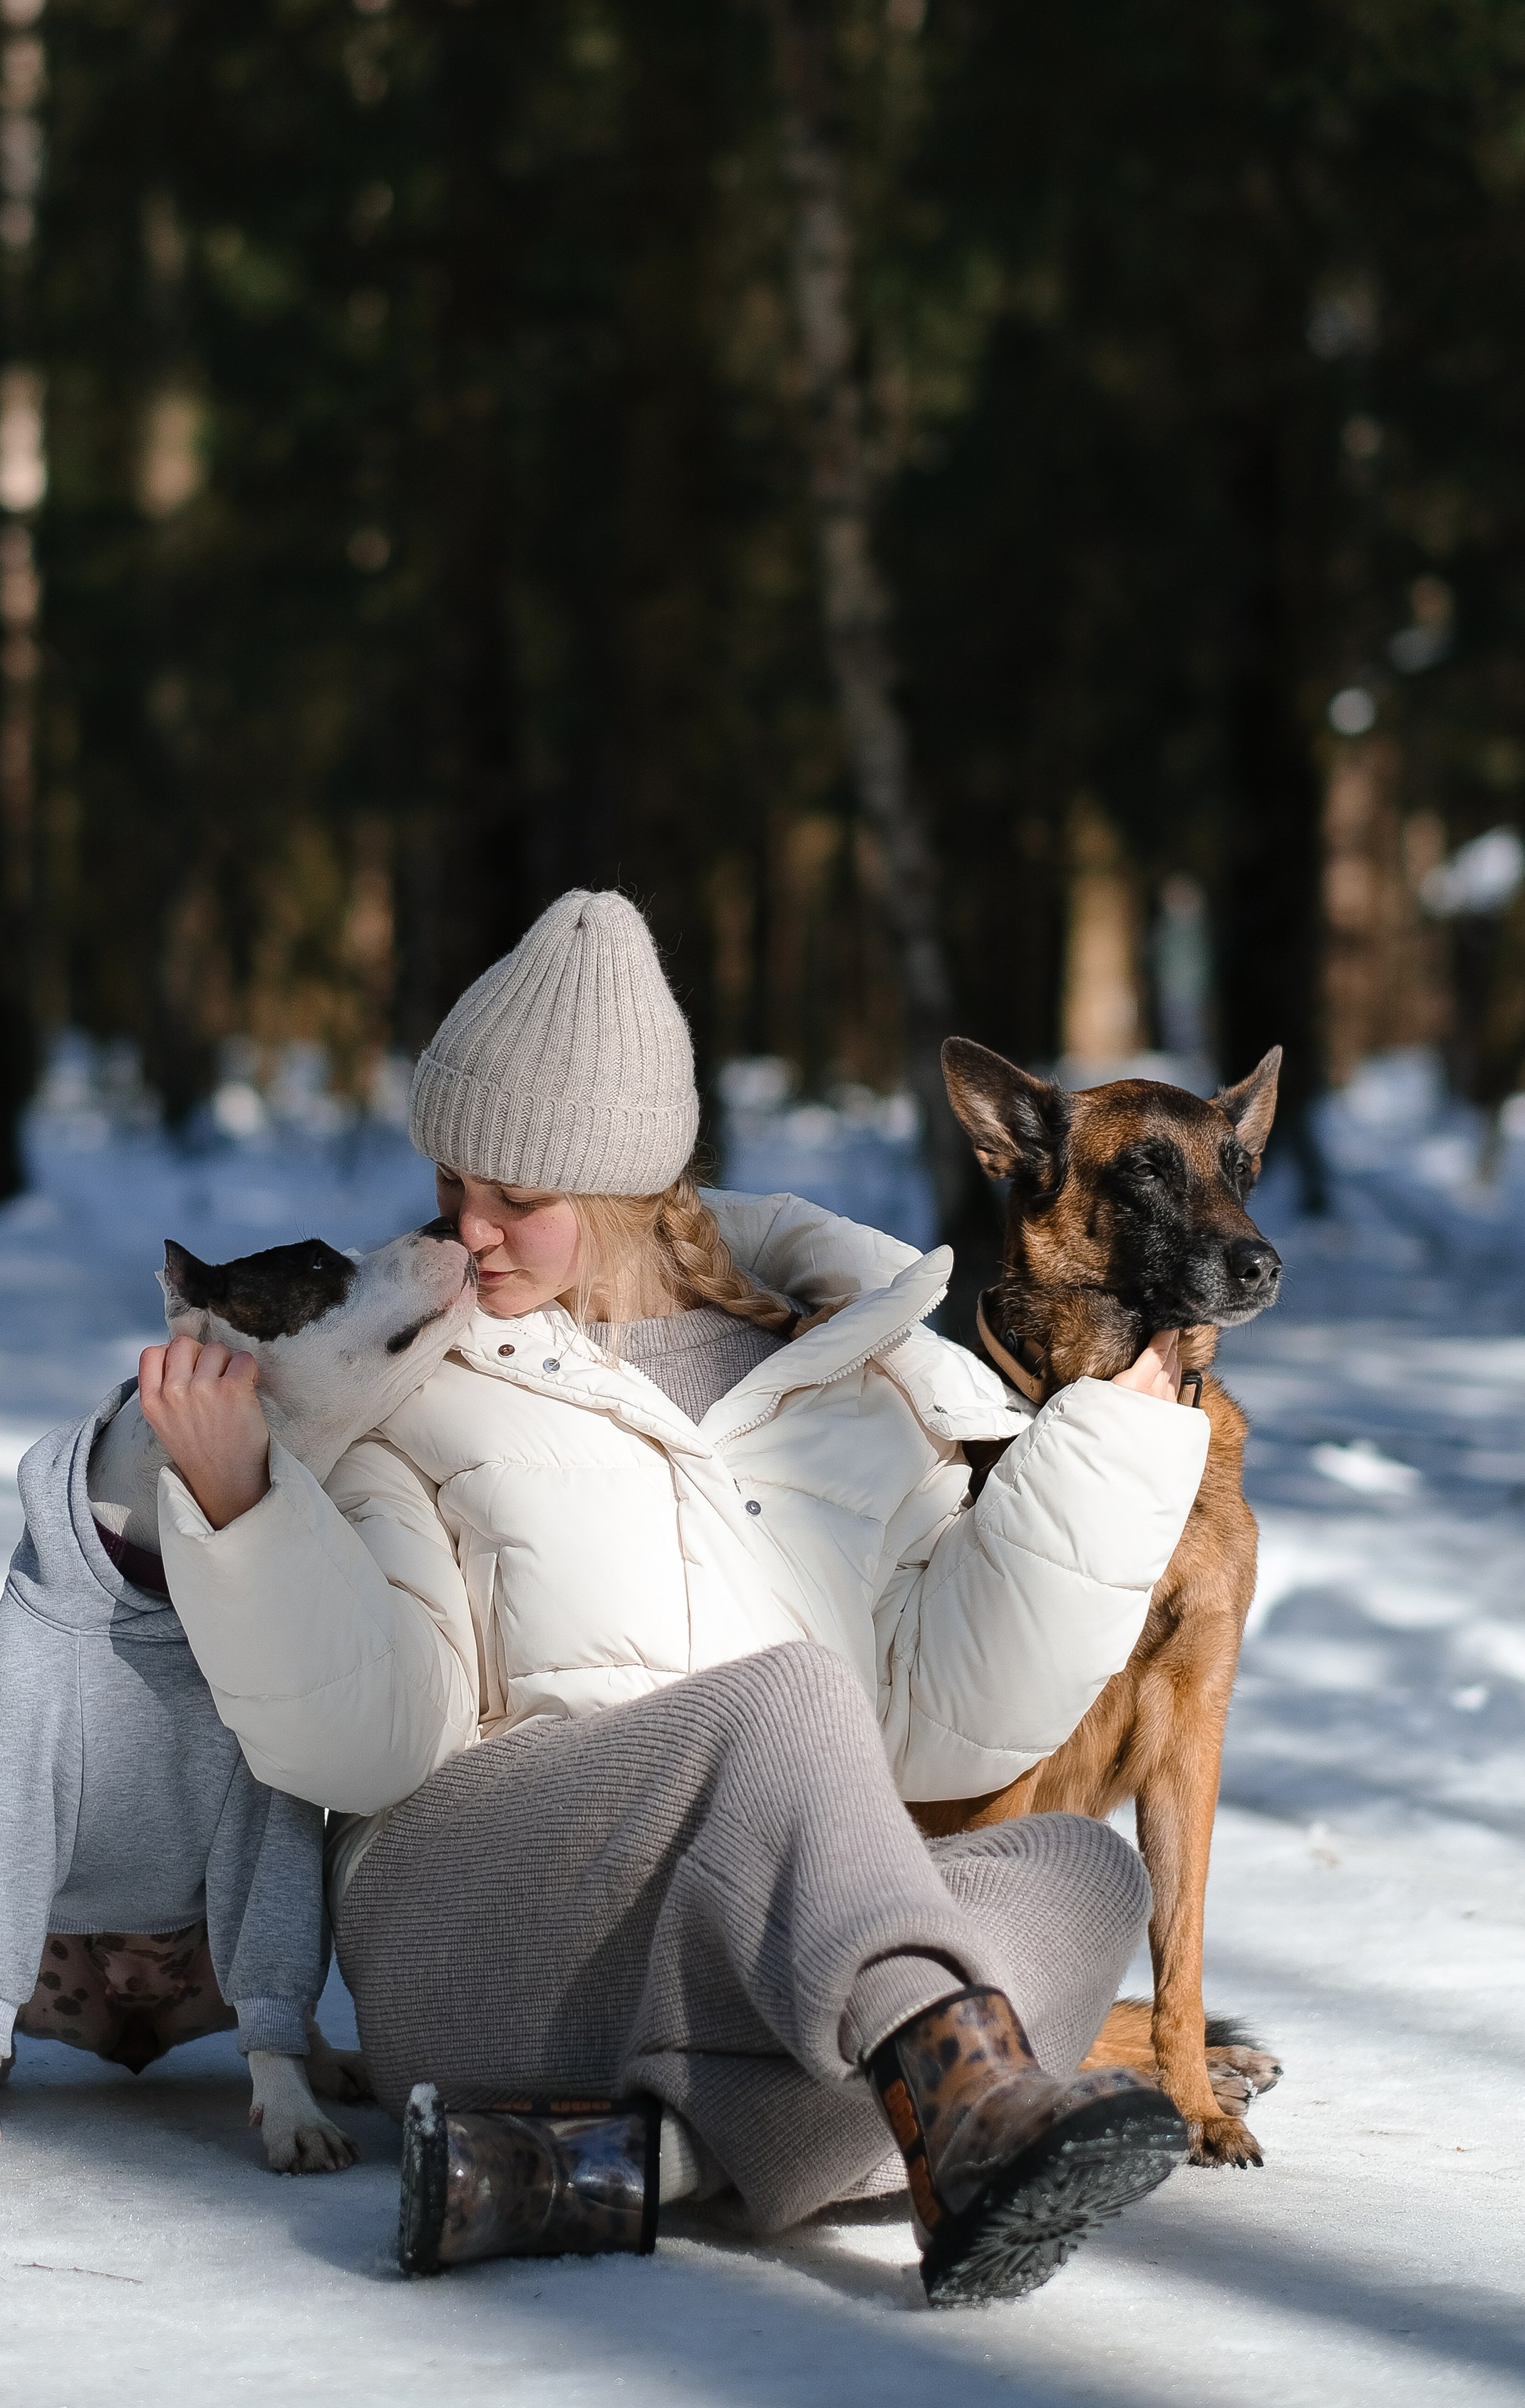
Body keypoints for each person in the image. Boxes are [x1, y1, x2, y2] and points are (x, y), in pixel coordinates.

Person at [140, 891, 1210, 2305]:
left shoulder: (852, 1377)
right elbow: (370, 1743)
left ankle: (622, 2163)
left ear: (630, 1185)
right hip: (477, 1920)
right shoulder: (410, 1372)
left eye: (517, 1199)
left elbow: (948, 1730)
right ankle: (962, 2112)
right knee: (791, 1706)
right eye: (452, 1184)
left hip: (748, 1948)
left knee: (1077, 1874)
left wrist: (1114, 1450)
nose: (468, 1233)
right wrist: (244, 1508)